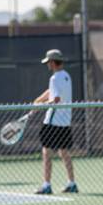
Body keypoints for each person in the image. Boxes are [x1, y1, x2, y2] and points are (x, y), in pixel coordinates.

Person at [33, 49, 78, 195]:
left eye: (48, 62)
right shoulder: (66, 76)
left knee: (46, 152)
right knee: (64, 152)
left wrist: (41, 106)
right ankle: (72, 183)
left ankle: (46, 185)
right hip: (65, 122)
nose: (47, 65)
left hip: (52, 122)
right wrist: (39, 99)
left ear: (53, 62)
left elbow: (56, 98)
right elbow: (53, 91)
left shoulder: (54, 78)